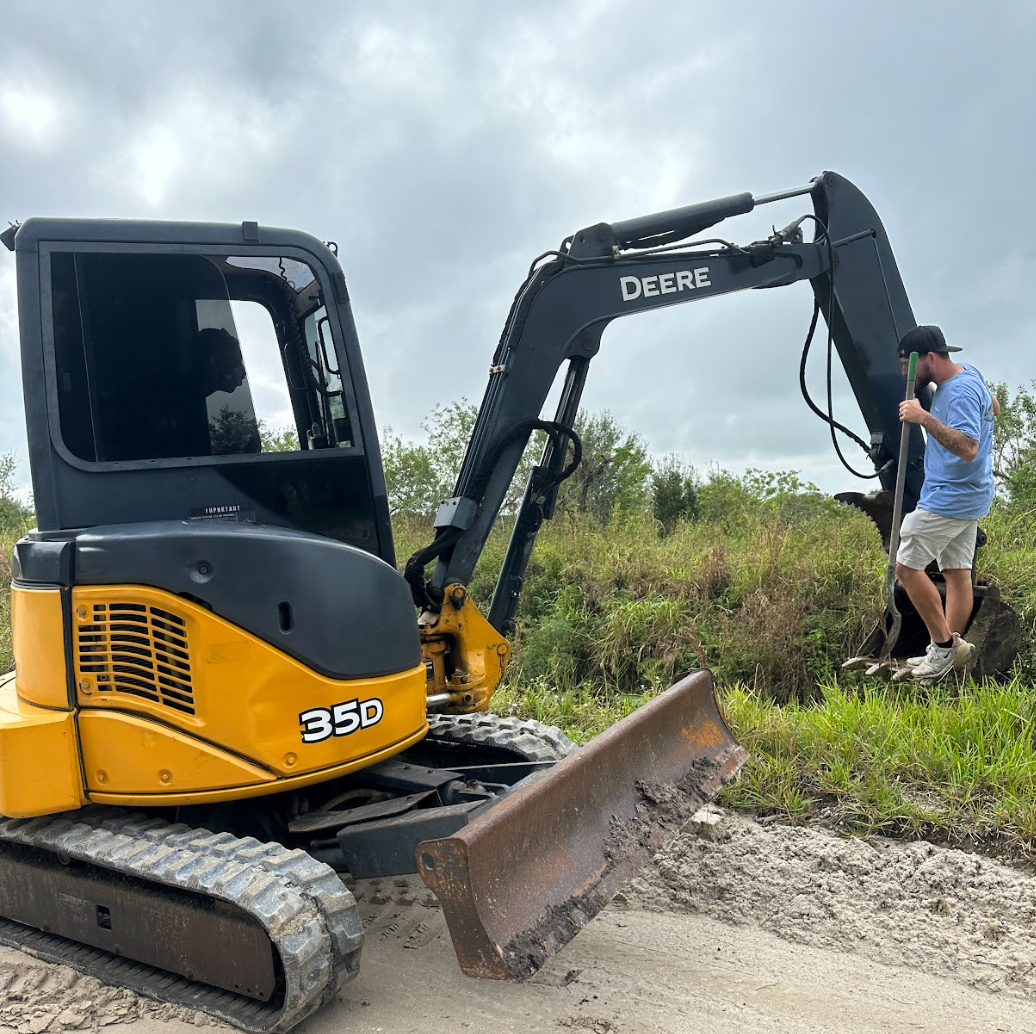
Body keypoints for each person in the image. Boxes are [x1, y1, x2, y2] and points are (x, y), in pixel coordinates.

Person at [894, 325, 999, 680]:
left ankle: (942, 647)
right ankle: (947, 653)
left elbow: (969, 448)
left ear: (931, 359)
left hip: (949, 497)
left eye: (907, 366)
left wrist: (923, 417)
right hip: (972, 494)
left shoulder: (958, 394)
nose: (904, 374)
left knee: (906, 568)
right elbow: (994, 407)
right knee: (957, 575)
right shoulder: (971, 375)